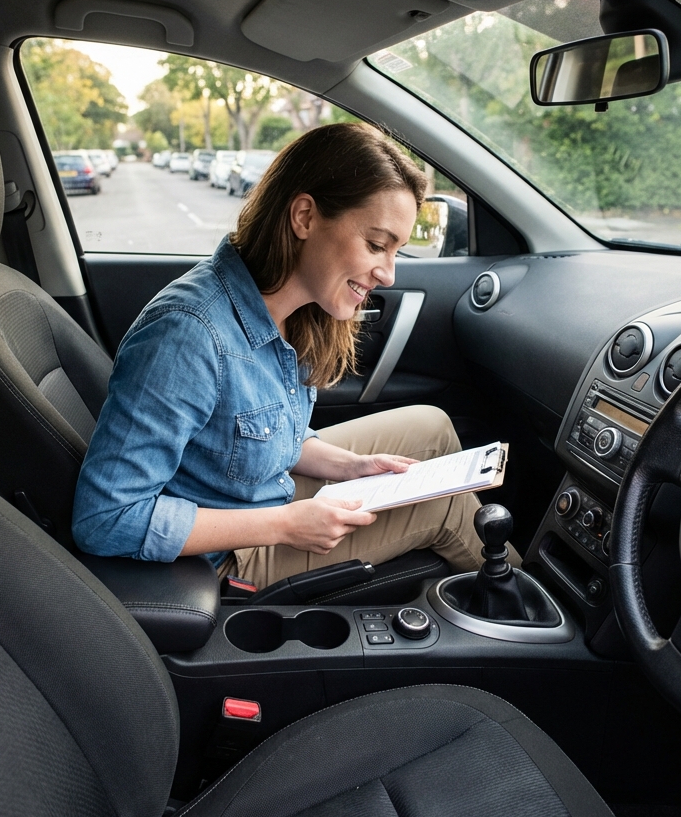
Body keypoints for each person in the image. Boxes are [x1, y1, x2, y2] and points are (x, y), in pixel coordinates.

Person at [72, 122, 517, 588]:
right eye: (375, 245)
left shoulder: (286, 310)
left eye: (397, 251)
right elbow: (105, 518)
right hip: (224, 554)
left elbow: (256, 432)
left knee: (432, 426)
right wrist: (285, 525)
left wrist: (351, 467)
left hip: (259, 491)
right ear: (304, 217)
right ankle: (525, 612)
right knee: (441, 504)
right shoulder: (189, 335)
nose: (388, 274)